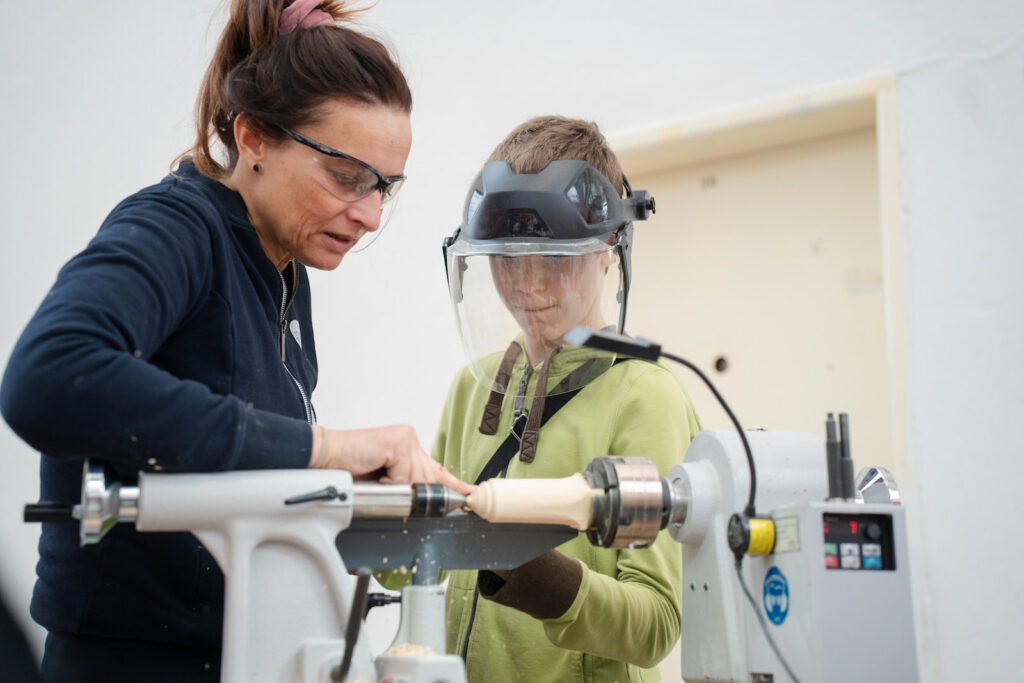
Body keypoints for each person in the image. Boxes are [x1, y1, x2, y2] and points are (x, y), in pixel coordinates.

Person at [0, 1, 469, 680]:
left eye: (384, 188)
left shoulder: (283, 271)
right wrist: (325, 448)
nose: (370, 215)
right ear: (253, 138)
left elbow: (230, 454)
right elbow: (51, 377)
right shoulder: (177, 229)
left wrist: (340, 485)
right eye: (346, 177)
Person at [434, 116, 703, 681]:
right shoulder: (472, 388)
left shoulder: (644, 395)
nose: (527, 284)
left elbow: (657, 623)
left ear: (609, 248)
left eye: (554, 258)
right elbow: (433, 560)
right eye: (508, 257)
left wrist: (543, 580)